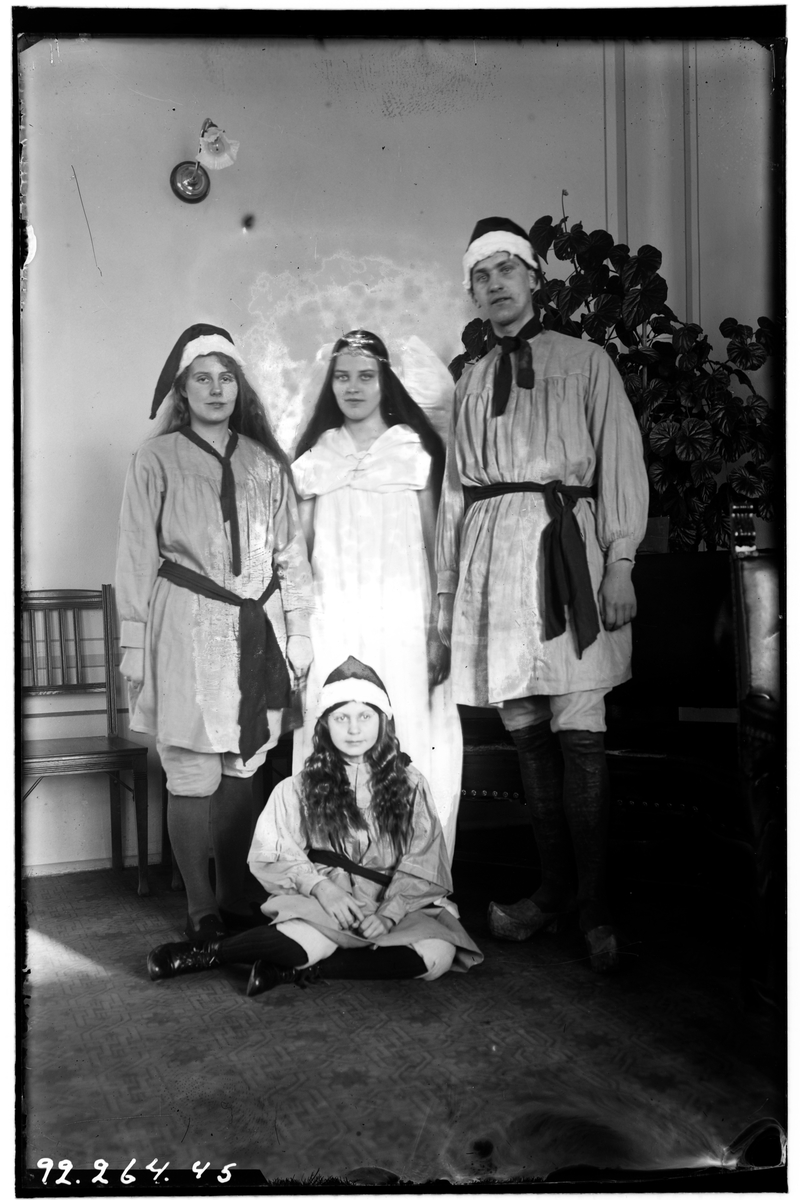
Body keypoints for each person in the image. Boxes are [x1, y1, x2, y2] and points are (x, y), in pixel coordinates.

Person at [436, 217, 649, 972]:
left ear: (534, 279)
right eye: (481, 275)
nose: (495, 284)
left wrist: (620, 563)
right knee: (526, 730)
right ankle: (552, 890)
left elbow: (620, 460)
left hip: (569, 557)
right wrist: (448, 592)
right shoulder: (469, 382)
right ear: (473, 291)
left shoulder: (586, 361)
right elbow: (455, 497)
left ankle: (594, 907)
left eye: (507, 270)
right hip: (495, 566)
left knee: (579, 726)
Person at [116, 324, 314, 944]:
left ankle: (235, 897)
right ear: (182, 389)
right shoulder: (155, 459)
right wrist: (132, 643)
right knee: (192, 770)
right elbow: (135, 555)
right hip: (186, 624)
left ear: (239, 387)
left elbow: (291, 554)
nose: (216, 388)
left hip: (256, 628)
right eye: (202, 378)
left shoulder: (265, 463)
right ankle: (200, 907)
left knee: (242, 766)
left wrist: (300, 629)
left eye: (226, 377)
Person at [146, 657, 483, 992]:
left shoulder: (411, 783)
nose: (354, 729)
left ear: (383, 721)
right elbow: (276, 850)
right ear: (325, 725)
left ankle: (293, 972)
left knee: (437, 954)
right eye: (341, 718)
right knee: (303, 939)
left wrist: (388, 914)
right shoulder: (300, 786)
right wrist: (322, 889)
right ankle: (209, 953)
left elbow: (424, 859)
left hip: (394, 900)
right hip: (328, 898)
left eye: (365, 716)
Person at [291, 329, 463, 860]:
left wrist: (438, 629)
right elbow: (298, 556)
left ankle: (415, 870)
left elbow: (436, 548)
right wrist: (300, 633)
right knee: (334, 729)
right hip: (335, 621)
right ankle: (337, 866)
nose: (354, 387)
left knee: (406, 726)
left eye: (366, 376)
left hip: (402, 622)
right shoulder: (317, 457)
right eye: (342, 377)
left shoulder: (414, 451)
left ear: (385, 381)